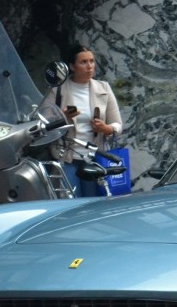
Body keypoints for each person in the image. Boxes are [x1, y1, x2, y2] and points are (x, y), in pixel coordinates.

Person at [43, 45, 123, 197]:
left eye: (92, 61)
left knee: (94, 204)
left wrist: (105, 129)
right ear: (72, 66)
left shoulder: (103, 88)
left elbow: (117, 124)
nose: (89, 67)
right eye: (83, 62)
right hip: (66, 157)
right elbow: (45, 124)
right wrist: (62, 117)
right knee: (70, 203)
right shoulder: (58, 90)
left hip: (95, 157)